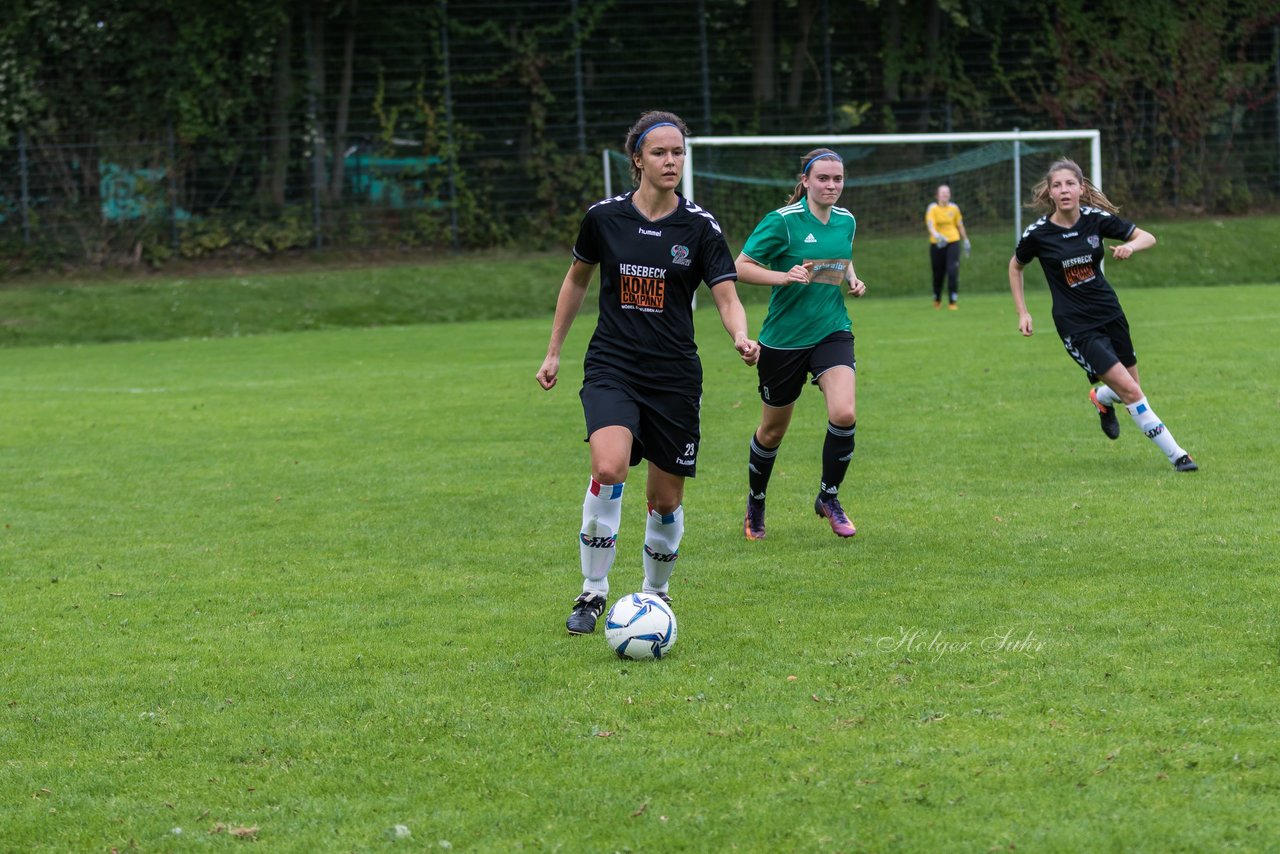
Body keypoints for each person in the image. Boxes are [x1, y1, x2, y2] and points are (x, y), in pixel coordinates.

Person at [536, 111, 760, 635]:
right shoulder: (604, 218)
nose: (670, 161)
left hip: (674, 377)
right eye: (659, 152)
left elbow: (726, 295)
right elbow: (575, 283)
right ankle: (592, 593)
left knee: (665, 500)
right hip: (613, 364)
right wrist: (553, 352)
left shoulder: (699, 227)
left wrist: (740, 336)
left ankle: (655, 598)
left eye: (678, 153)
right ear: (636, 158)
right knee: (609, 467)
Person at [1008, 157, 1197, 472]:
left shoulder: (1096, 219)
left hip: (1110, 313)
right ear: (1050, 193)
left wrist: (1131, 247)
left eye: (1070, 184)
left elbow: (1147, 236)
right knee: (1133, 391)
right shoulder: (1038, 234)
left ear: (1081, 188)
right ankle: (1179, 456)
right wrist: (1022, 312)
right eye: (1057, 185)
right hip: (1076, 326)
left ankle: (1101, 398)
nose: (1064, 190)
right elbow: (1016, 266)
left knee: (1129, 391)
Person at [735, 148, 868, 541]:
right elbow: (740, 267)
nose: (831, 185)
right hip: (784, 341)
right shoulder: (783, 222)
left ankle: (829, 498)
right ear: (806, 181)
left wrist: (852, 279)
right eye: (823, 179)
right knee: (772, 431)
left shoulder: (847, 220)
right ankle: (756, 502)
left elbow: (839, 256)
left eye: (838, 179)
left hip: (832, 329)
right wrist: (783, 276)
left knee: (844, 413)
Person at [925, 183, 969, 309]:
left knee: (952, 271)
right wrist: (937, 236)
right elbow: (930, 225)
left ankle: (952, 301)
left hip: (953, 241)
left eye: (947, 192)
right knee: (938, 273)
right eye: (943, 192)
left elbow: (960, 225)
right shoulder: (932, 208)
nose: (945, 194)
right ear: (937, 195)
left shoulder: (954, 208)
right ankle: (937, 299)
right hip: (937, 243)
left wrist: (966, 240)